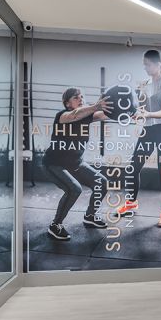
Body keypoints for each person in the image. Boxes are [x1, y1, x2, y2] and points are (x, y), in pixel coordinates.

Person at [43, 88, 112, 241]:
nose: (80, 99)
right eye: (76, 97)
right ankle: (55, 225)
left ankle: (90, 216)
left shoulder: (87, 116)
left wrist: (129, 110)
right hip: (54, 164)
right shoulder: (62, 116)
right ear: (67, 103)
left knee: (102, 183)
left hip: (76, 164)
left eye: (82, 97)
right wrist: (96, 106)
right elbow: (75, 115)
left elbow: (108, 114)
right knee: (74, 189)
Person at [117, 49, 161, 228]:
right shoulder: (144, 84)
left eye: (148, 64)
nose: (145, 68)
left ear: (159, 65)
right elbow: (141, 108)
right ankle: (131, 203)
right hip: (148, 131)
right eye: (144, 65)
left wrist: (147, 114)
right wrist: (134, 113)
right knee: (133, 168)